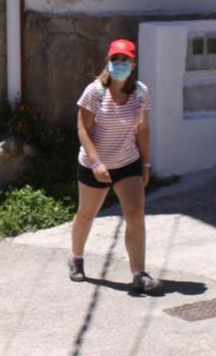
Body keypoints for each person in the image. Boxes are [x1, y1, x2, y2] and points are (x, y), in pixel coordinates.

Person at [68, 38, 162, 293]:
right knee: (86, 214)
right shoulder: (95, 92)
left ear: (133, 64)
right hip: (94, 163)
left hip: (127, 162)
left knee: (135, 214)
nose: (119, 64)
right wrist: (97, 162)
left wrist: (146, 163)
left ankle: (138, 273)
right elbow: (83, 130)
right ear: (108, 62)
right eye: (115, 59)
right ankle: (76, 257)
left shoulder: (140, 92)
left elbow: (142, 130)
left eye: (125, 60)